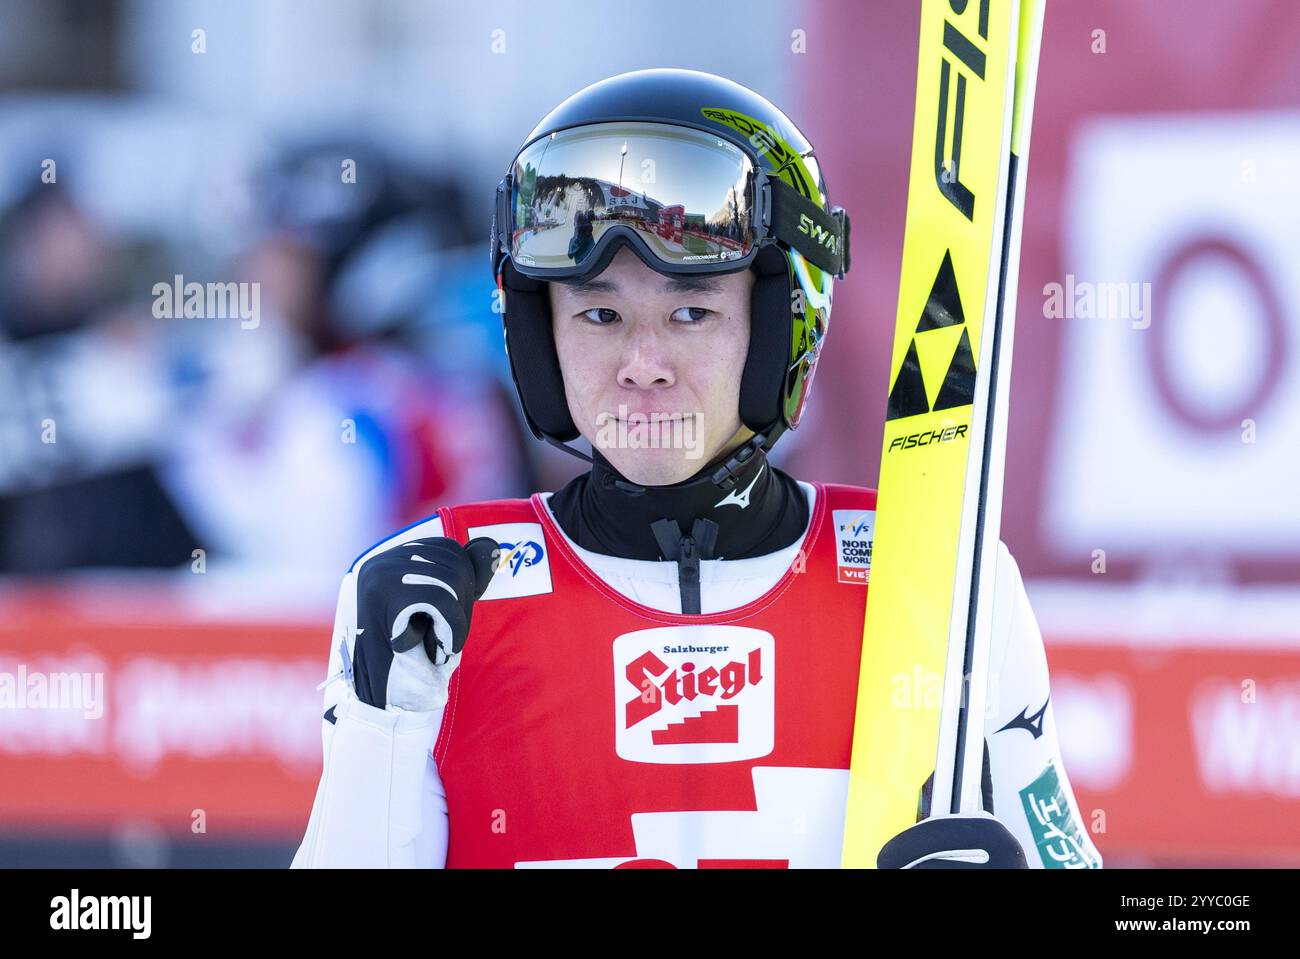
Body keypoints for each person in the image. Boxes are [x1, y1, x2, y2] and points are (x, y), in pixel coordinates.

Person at [292, 69, 1100, 869]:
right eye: (600, 314)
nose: (643, 364)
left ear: (784, 330)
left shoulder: (937, 585)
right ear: (542, 337)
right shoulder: (430, 601)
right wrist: (383, 730)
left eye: (692, 312)